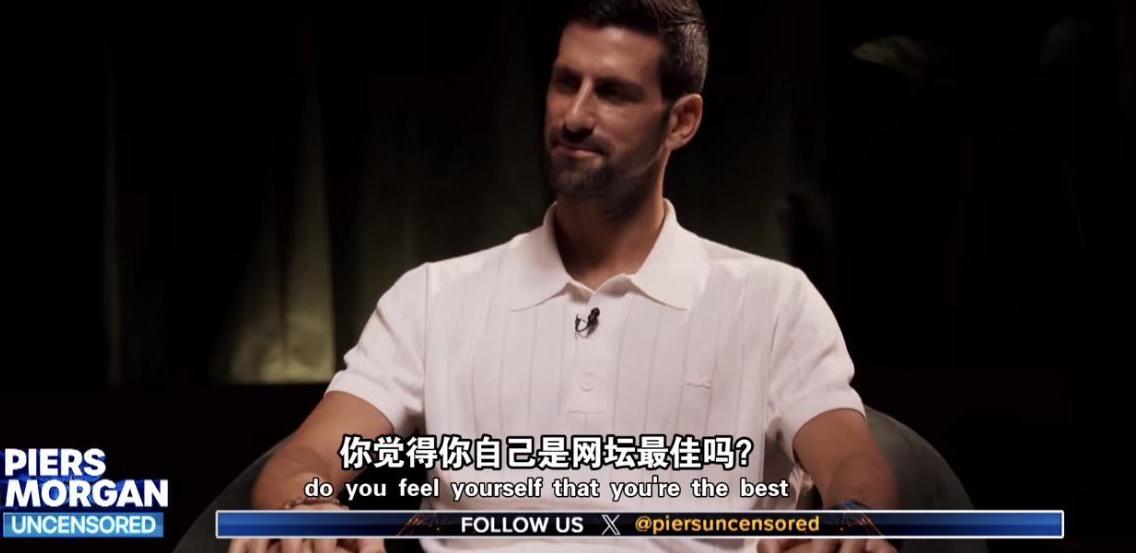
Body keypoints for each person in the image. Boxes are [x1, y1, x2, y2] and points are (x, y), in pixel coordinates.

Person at [230, 1, 897, 552]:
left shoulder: (773, 300)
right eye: (563, 82)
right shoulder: (431, 297)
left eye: (612, 92)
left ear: (681, 121)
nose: (574, 116)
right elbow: (308, 458)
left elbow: (851, 462)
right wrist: (305, 508)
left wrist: (852, 521)